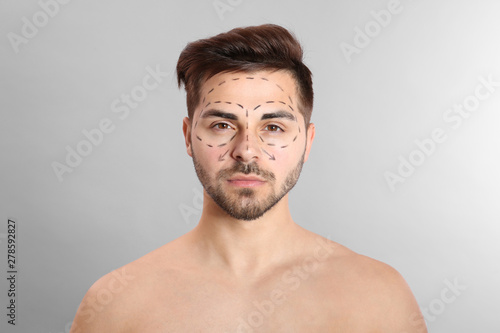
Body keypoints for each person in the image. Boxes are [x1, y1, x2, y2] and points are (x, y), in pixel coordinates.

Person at [70, 24, 427, 332]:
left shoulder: (379, 296)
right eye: (222, 125)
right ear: (187, 136)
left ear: (308, 141)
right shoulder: (116, 304)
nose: (247, 150)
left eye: (272, 127)